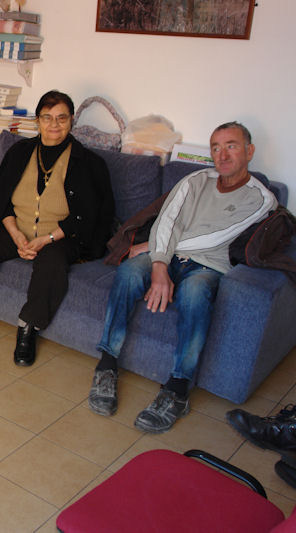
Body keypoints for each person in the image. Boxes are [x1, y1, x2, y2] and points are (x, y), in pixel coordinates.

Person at [88, 122, 277, 433]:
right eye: (216, 147)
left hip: (207, 267)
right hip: (167, 253)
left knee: (194, 294)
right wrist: (160, 263)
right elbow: (167, 221)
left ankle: (177, 390)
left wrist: (155, 251)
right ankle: (106, 365)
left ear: (249, 151)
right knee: (129, 272)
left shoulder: (261, 199)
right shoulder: (195, 180)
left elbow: (216, 237)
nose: (222, 154)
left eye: (231, 146)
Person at [0, 90, 115, 366]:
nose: (54, 124)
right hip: (19, 228)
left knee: (52, 261)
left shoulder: (88, 163)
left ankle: (28, 328)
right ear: (38, 121)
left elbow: (86, 217)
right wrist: (16, 236)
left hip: (62, 236)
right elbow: (1, 202)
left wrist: (46, 239)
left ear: (71, 120)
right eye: (47, 117)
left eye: (61, 118)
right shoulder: (20, 152)